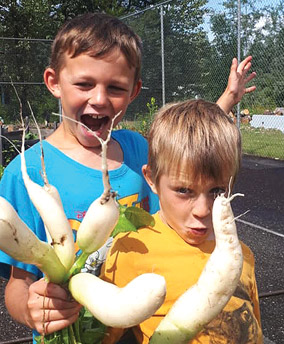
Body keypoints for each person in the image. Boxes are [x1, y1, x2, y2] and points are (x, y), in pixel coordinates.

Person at [0, 12, 256, 341]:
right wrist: (31, 307)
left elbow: (188, 150)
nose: (99, 99)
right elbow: (18, 283)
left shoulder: (138, 149)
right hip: (70, 332)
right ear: (54, 82)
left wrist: (226, 100)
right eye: (84, 84)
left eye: (115, 87)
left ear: (133, 91)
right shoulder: (22, 173)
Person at [101, 99, 262, 343]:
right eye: (184, 191)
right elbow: (104, 336)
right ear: (152, 179)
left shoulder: (241, 256)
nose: (203, 210)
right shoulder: (130, 251)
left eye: (217, 191)